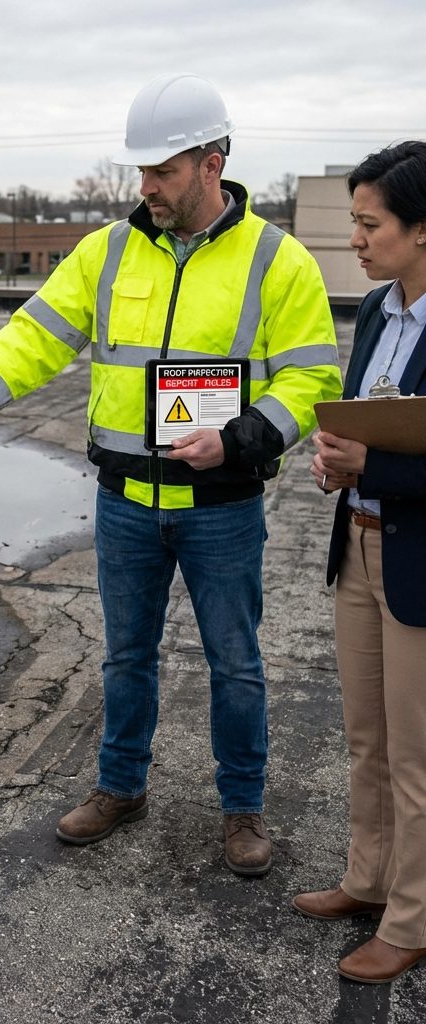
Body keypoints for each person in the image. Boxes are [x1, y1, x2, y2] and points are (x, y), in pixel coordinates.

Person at [0, 72, 342, 877]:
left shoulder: (279, 260)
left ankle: (242, 809)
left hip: (221, 508)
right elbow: (32, 340)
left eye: (162, 170)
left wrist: (239, 440)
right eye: (141, 171)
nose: (147, 187)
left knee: (235, 663)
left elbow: (312, 380)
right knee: (126, 657)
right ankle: (120, 786)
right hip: (126, 504)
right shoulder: (107, 252)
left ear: (213, 162)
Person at [295, 142, 426, 983]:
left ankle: (412, 923)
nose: (356, 238)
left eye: (370, 223)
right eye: (353, 221)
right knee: (366, 737)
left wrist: (369, 467)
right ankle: (368, 881)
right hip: (361, 546)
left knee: (418, 754)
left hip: (418, 562)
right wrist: (335, 454)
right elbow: (366, 421)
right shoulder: (378, 312)